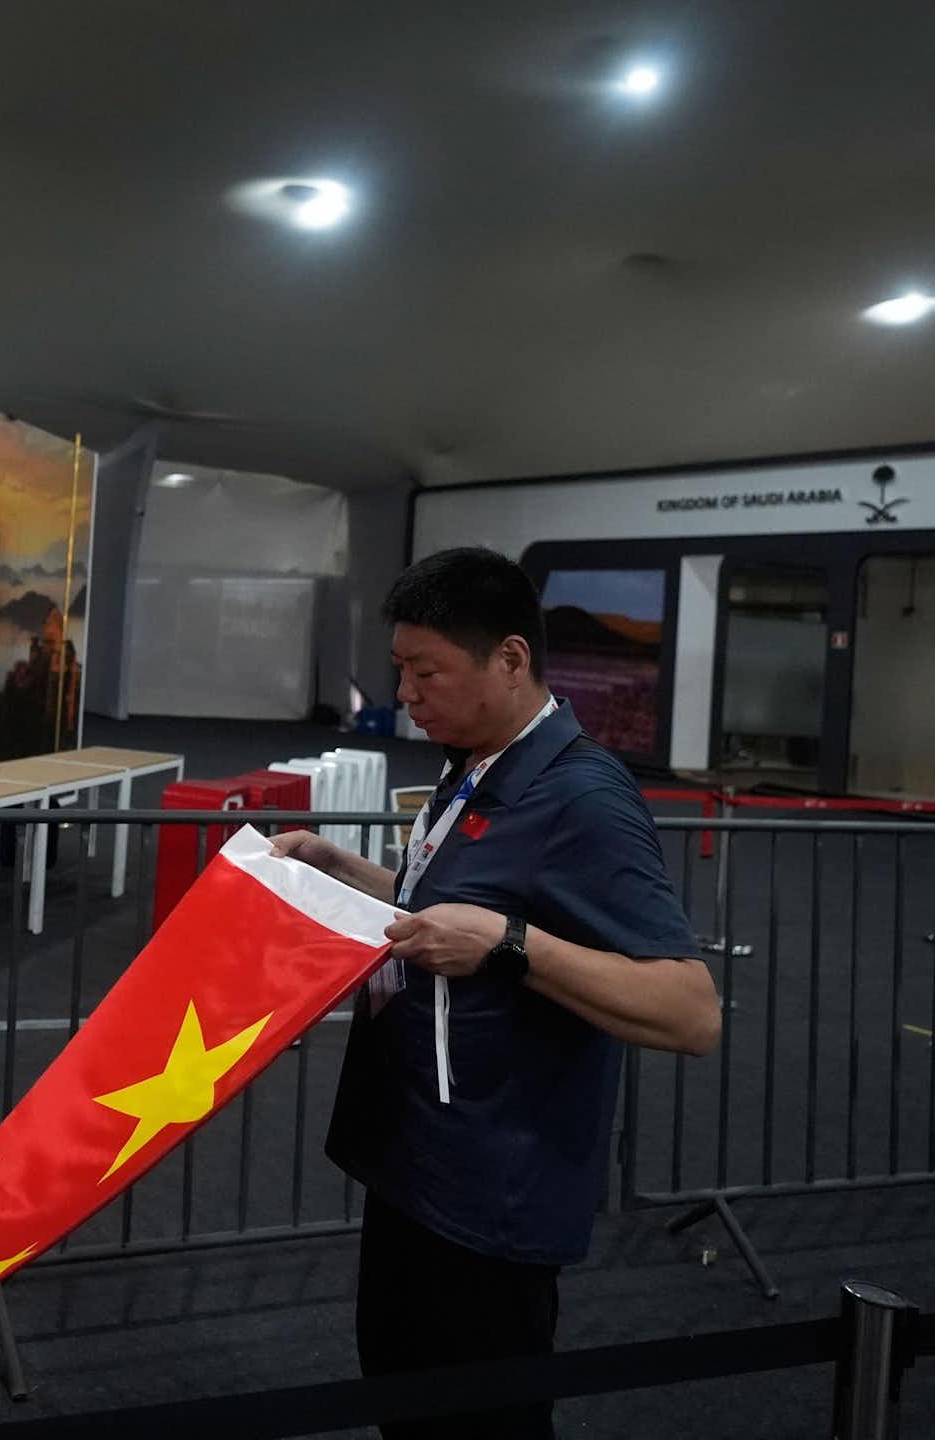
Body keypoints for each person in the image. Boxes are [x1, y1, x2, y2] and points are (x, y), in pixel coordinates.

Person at [271, 547, 720, 1440]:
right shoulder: (473, 762)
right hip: (414, 1172)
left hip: (490, 1208)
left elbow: (691, 1009)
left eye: (425, 671)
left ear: (510, 661)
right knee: (402, 1403)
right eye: (400, 670)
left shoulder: (584, 798)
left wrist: (513, 947)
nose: (407, 694)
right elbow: (439, 907)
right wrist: (343, 869)